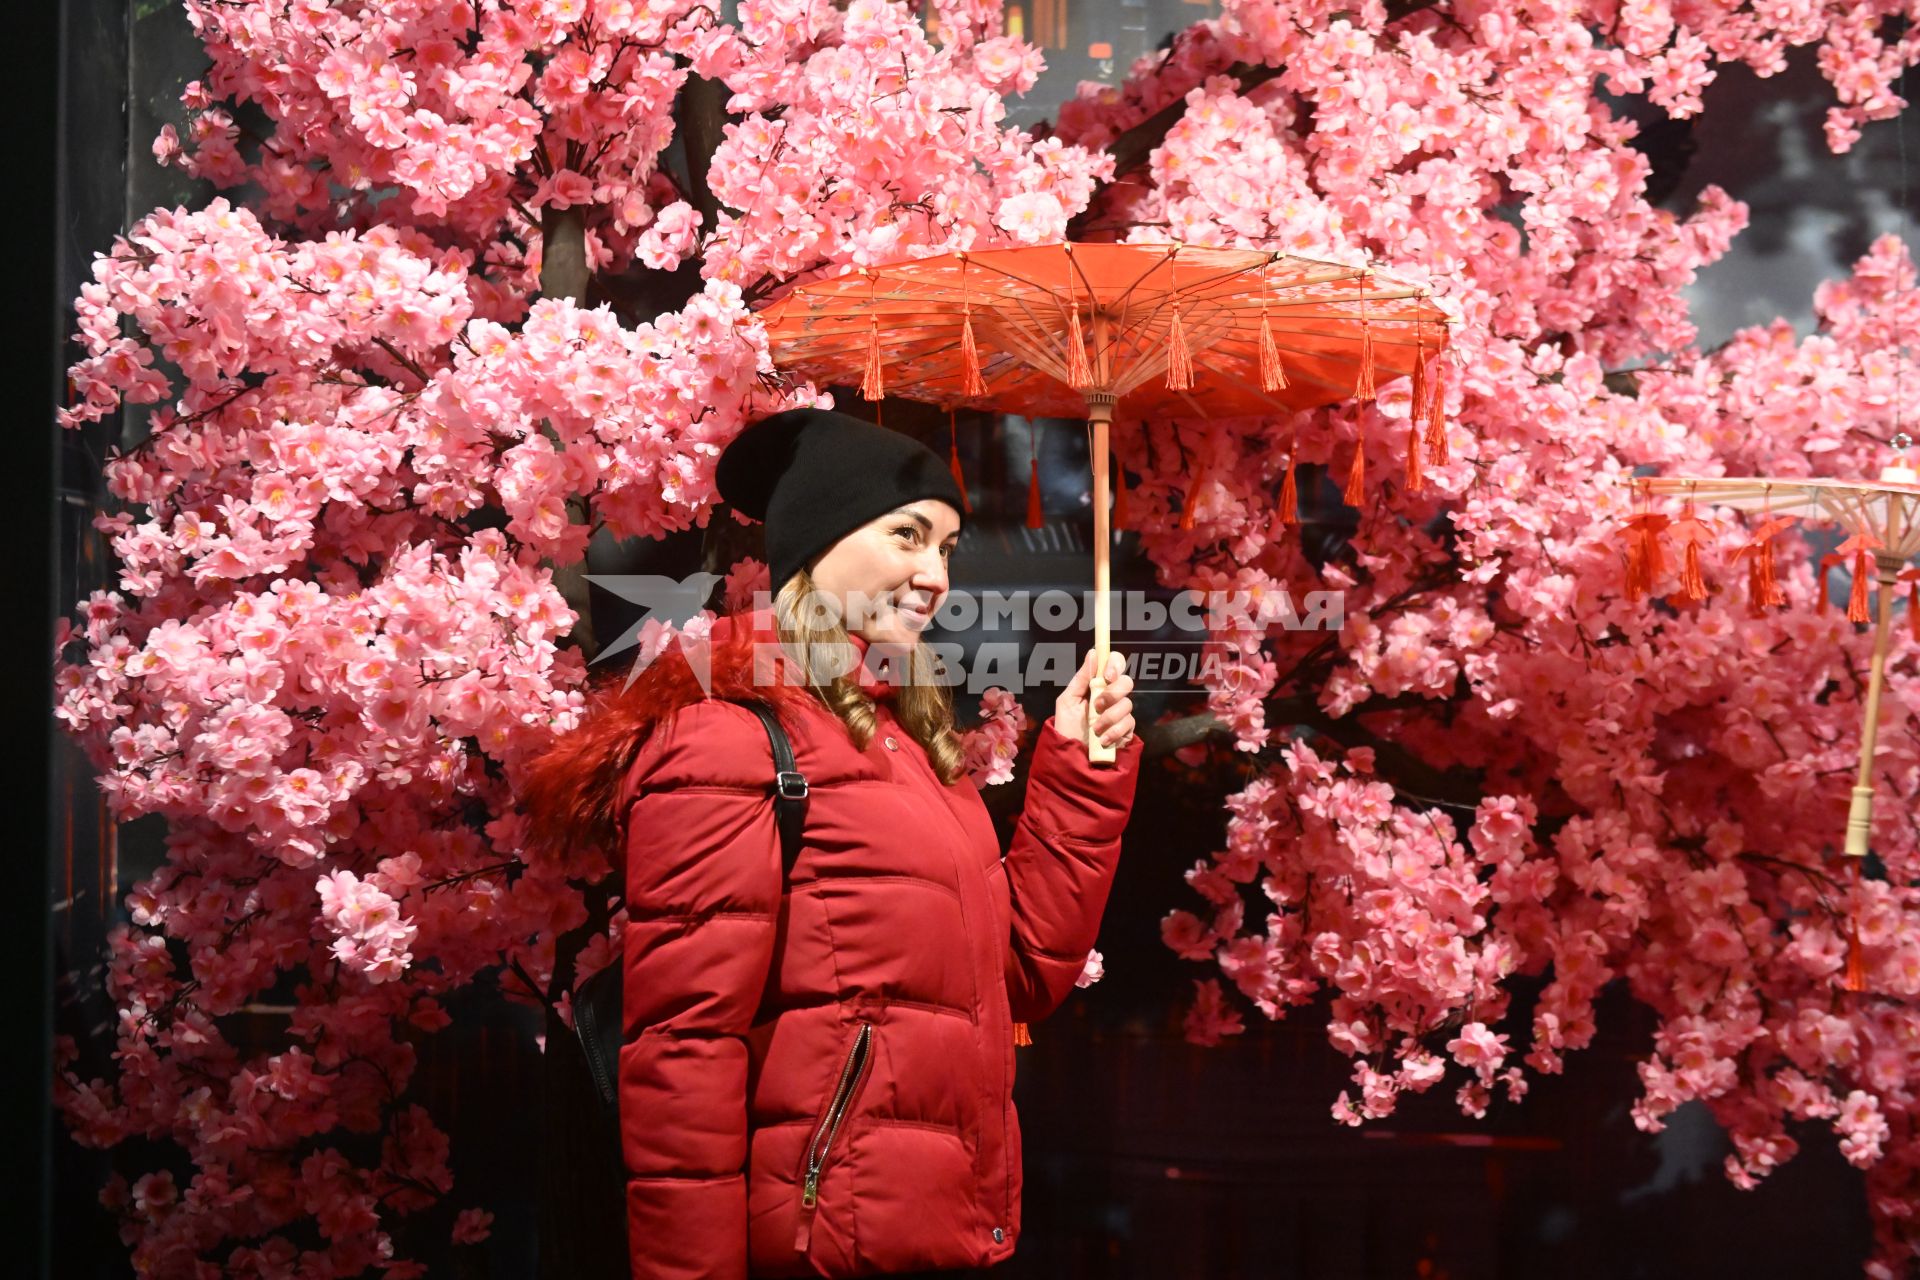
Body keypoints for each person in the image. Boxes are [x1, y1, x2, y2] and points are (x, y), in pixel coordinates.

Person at [523, 408, 1141, 1280]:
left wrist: (1078, 768)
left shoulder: (918, 753)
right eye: (908, 536)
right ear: (821, 541)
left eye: (949, 548)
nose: (934, 574)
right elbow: (684, 1054)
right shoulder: (727, 738)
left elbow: (1021, 976)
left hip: (945, 1238)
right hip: (817, 1247)